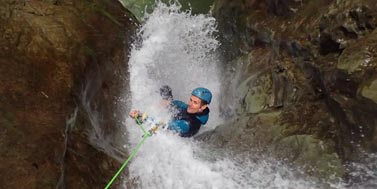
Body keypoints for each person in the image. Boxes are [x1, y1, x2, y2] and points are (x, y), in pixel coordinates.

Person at [129, 86, 212, 137]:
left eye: (195, 102)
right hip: (179, 115)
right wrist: (168, 103)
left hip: (175, 126)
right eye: (191, 100)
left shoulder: (188, 124)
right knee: (166, 89)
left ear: (203, 106)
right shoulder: (195, 110)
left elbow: (163, 126)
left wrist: (141, 116)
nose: (190, 104)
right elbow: (181, 104)